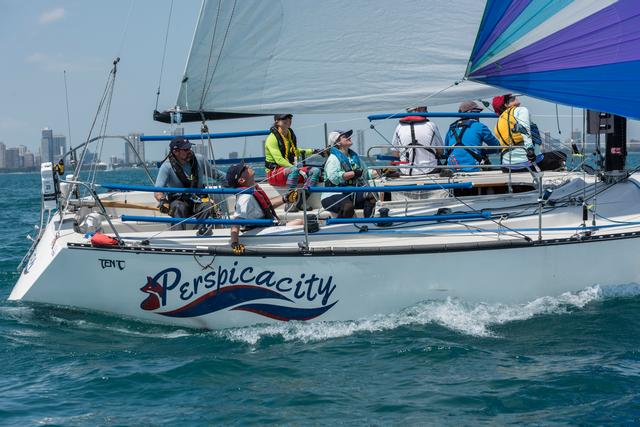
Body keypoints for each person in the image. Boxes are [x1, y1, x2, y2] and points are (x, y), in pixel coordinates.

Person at [226, 163, 302, 254]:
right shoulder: (245, 197)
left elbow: (265, 205)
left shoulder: (252, 188)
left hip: (265, 225)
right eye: (244, 168)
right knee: (301, 223)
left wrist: (285, 198)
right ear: (242, 180)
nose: (248, 166)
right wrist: (234, 243)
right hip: (259, 229)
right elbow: (236, 221)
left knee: (301, 222)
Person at [154, 136, 222, 230]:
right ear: (175, 152)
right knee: (178, 207)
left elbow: (217, 174)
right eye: (185, 149)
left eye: (189, 148)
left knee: (207, 206)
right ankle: (179, 235)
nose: (189, 151)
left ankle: (199, 232)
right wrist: (163, 200)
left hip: (198, 200)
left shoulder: (200, 159)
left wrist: (234, 180)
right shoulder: (166, 167)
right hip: (179, 201)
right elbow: (158, 191)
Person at [321, 130, 377, 218]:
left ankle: (369, 222)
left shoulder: (354, 157)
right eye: (345, 136)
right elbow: (334, 178)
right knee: (348, 207)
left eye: (348, 136)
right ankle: (337, 225)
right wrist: (353, 173)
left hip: (351, 193)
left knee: (371, 195)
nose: (349, 137)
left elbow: (365, 173)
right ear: (338, 143)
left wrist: (378, 172)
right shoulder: (333, 159)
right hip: (332, 194)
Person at [264, 114, 322, 198]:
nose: (288, 120)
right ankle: (289, 199)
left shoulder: (289, 135)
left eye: (289, 118)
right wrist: (296, 169)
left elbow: (294, 151)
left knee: (315, 171)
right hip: (273, 174)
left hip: (290, 171)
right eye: (284, 118)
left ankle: (303, 199)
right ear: (276, 122)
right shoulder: (271, 139)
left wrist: (314, 151)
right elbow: (279, 160)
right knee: (294, 170)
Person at [444, 100, 501, 172]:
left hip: (452, 170)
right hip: (473, 169)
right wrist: (483, 150)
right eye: (478, 112)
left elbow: (446, 151)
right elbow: (497, 146)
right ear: (472, 112)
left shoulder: (451, 128)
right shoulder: (480, 127)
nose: (479, 115)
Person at [391, 106, 444, 175]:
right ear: (418, 109)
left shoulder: (399, 127)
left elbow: (395, 154)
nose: (427, 112)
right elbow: (440, 151)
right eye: (425, 109)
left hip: (405, 171)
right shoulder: (431, 125)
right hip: (429, 169)